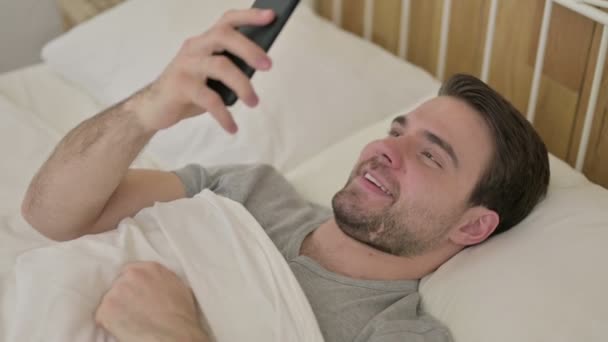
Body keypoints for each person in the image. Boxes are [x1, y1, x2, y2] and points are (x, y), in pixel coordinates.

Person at [20, 7, 550, 342]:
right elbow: (49, 214)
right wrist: (150, 107)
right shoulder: (247, 190)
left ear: (474, 226)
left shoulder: (395, 332)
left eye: (431, 156)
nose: (388, 150)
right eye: (396, 129)